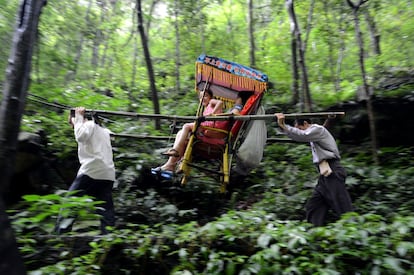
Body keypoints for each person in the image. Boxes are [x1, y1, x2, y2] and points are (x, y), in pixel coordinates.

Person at [275, 113, 353, 226]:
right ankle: (314, 230)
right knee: (315, 205)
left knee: (342, 204)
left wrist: (283, 125)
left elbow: (302, 135)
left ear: (306, 123)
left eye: (299, 128)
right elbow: (301, 135)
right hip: (324, 173)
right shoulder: (317, 132)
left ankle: (352, 227)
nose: (299, 131)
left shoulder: (317, 129)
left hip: (332, 170)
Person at [55, 107, 116, 234]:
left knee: (69, 203)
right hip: (107, 173)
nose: (73, 126)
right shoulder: (103, 130)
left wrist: (78, 118)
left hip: (92, 170)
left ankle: (60, 235)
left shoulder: (88, 125)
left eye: (72, 123)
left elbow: (80, 137)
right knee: (105, 209)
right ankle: (108, 237)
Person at [152, 90, 227, 173]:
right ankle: (170, 165)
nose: (202, 98)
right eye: (201, 97)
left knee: (186, 126)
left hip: (211, 133)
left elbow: (220, 102)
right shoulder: (205, 110)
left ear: (210, 97)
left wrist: (212, 114)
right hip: (204, 130)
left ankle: (175, 152)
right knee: (181, 133)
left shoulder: (212, 103)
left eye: (205, 96)